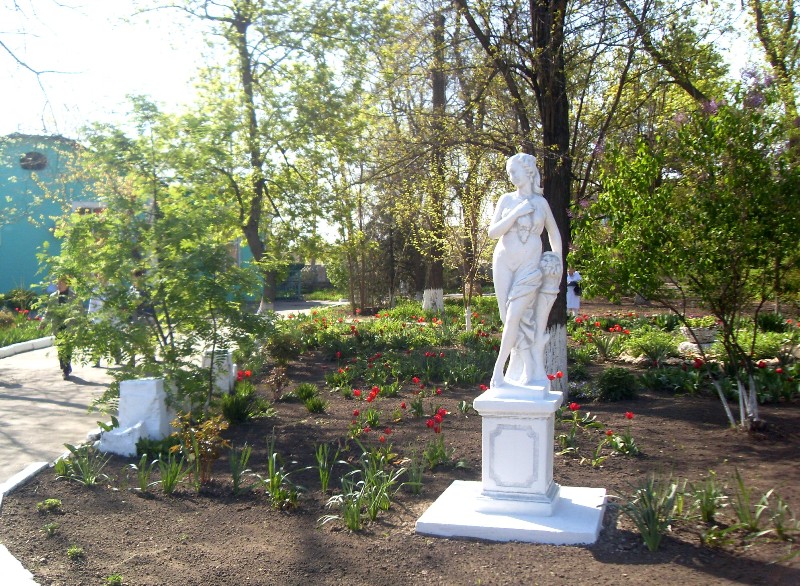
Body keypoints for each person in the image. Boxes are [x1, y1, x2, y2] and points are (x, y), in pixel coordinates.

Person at [489, 153, 562, 388]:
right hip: (503, 263)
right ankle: (529, 369)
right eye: (509, 173)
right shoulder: (506, 200)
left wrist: (557, 260)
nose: (511, 177)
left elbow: (554, 233)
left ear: (528, 171)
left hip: (529, 266)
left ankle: (498, 371)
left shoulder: (541, 203)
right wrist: (516, 213)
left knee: (515, 317)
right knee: (508, 318)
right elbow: (493, 233)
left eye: (514, 172)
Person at [47, 278, 78, 379]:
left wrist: (79, 324)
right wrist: (43, 323)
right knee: (60, 347)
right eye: (57, 283)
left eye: (61, 283)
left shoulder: (74, 296)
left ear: (67, 284)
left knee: (68, 347)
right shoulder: (53, 296)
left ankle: (66, 369)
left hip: (69, 326)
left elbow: (79, 311)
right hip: (58, 326)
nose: (58, 285)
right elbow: (49, 311)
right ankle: (63, 364)